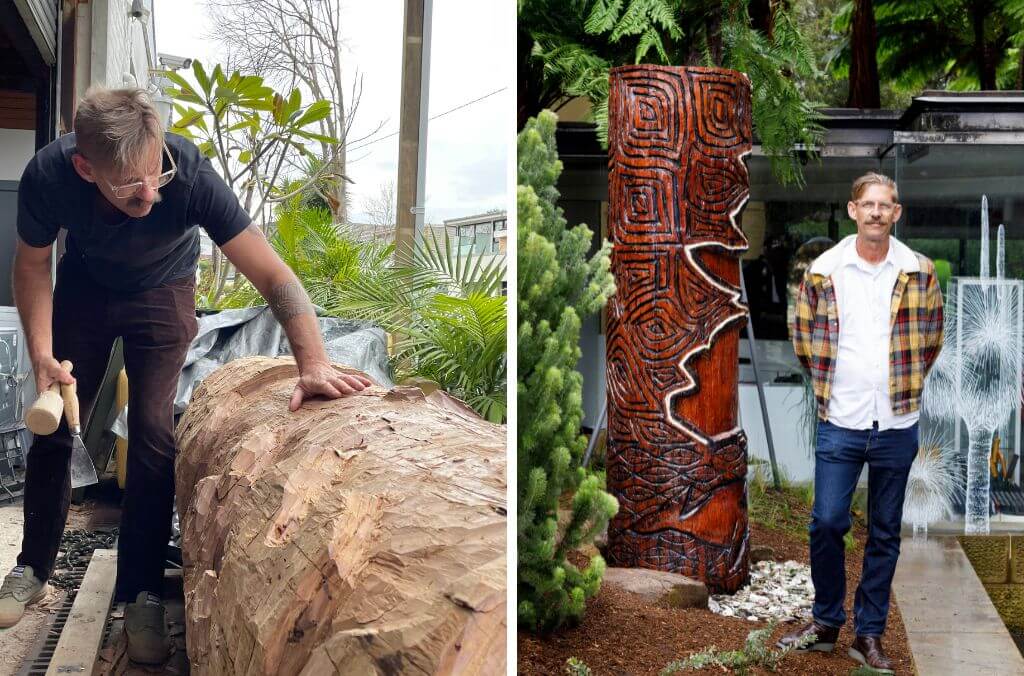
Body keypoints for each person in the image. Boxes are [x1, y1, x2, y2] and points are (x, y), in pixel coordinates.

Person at [0, 88, 371, 663]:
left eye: (157, 173)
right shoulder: (50, 176)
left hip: (164, 291)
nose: (151, 193)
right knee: (51, 424)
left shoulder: (190, 173)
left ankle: (141, 590)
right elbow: (30, 265)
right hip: (86, 289)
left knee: (151, 431)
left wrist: (314, 363)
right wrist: (43, 353)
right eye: (129, 185)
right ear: (84, 167)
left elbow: (274, 275)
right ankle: (32, 568)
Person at [778, 172, 944, 673]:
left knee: (885, 532)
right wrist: (831, 383)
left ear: (897, 213)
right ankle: (826, 620)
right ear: (853, 211)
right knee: (828, 520)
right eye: (867, 204)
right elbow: (802, 336)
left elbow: (930, 339)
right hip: (841, 419)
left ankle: (867, 634)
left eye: (884, 205)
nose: (875, 212)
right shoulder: (825, 270)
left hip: (897, 421)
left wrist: (903, 383)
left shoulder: (919, 270)